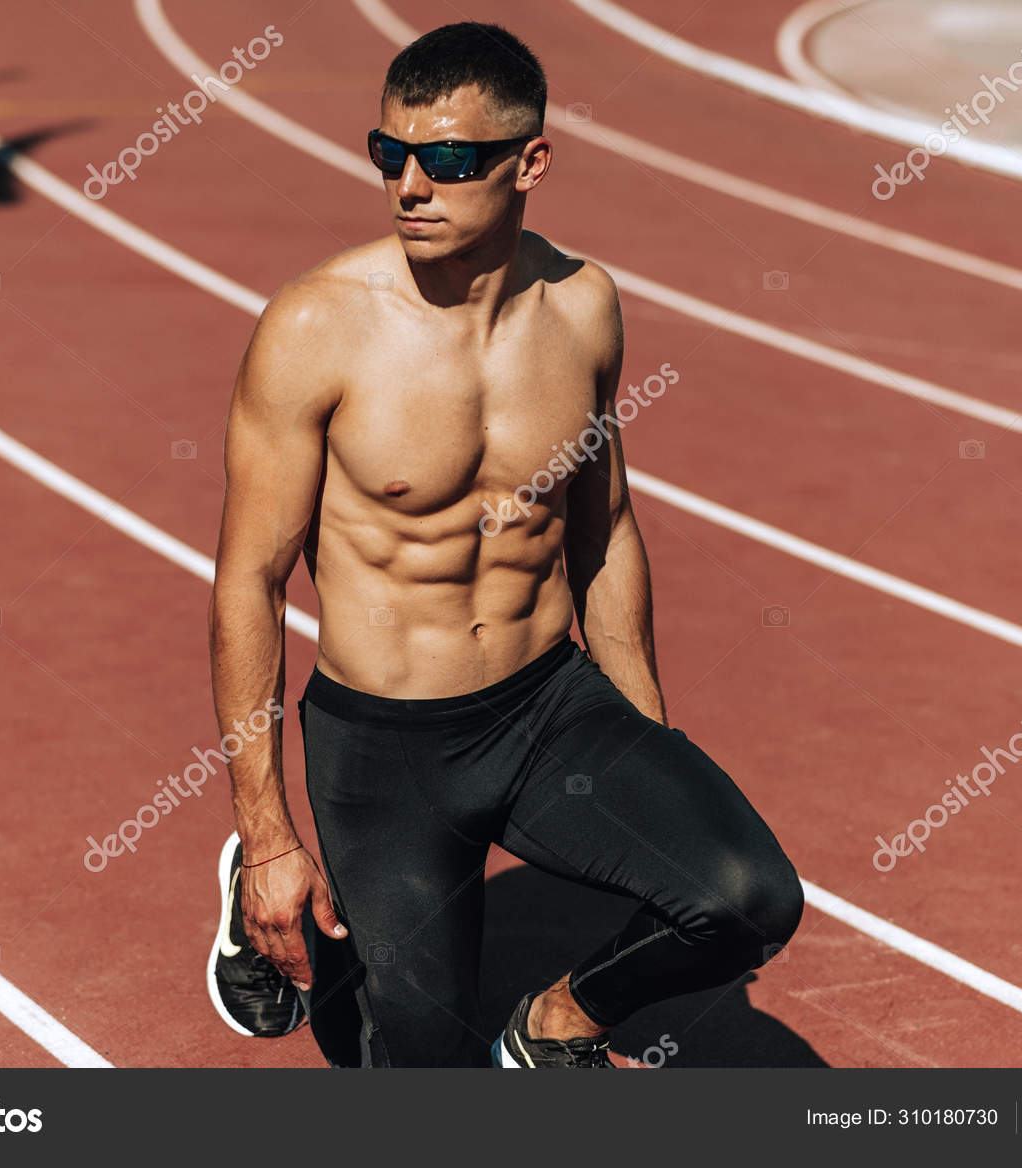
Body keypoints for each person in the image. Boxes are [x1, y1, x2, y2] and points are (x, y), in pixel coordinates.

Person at [207, 21, 802, 1068]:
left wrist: (647, 740)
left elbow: (602, 527)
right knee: (414, 1061)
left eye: (447, 161)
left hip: (542, 710)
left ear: (529, 163)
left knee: (746, 898)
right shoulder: (317, 328)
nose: (410, 187)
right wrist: (268, 836)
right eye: (389, 154)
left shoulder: (582, 309)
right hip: (386, 747)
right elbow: (248, 582)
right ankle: (311, 907)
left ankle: (552, 1026)